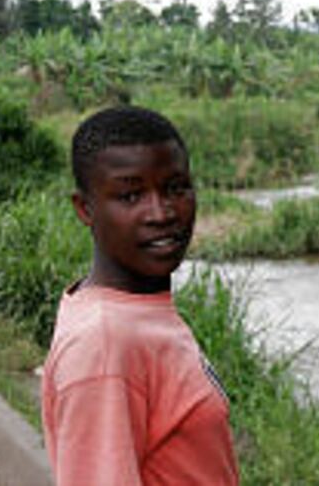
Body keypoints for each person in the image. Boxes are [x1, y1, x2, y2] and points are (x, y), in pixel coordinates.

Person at [41, 106, 239, 485]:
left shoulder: (135, 312)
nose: (161, 213)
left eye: (175, 188)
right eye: (131, 195)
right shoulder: (105, 344)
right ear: (85, 208)